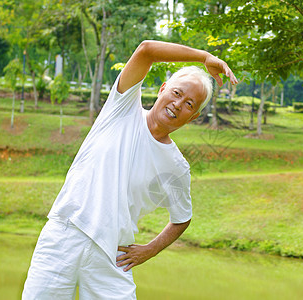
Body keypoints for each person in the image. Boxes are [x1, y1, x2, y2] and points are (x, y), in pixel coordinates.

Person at [22, 40, 238, 299]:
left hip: (113, 255)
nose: (178, 104)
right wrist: (204, 57)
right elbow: (147, 50)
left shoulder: (177, 166)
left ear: (192, 118)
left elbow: (182, 218)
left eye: (190, 104)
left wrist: (149, 249)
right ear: (162, 89)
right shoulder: (122, 108)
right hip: (64, 235)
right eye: (177, 93)